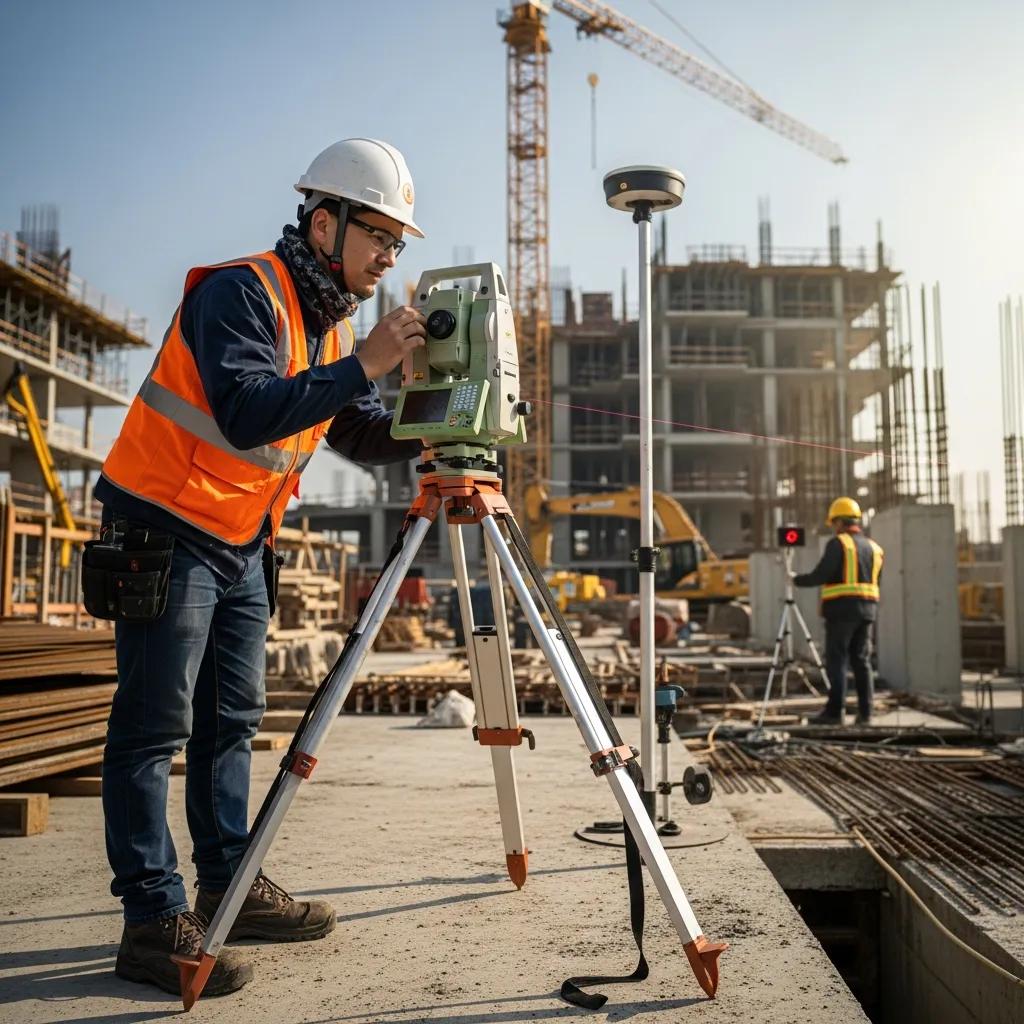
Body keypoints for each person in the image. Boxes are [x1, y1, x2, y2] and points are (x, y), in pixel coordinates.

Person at [93, 138, 427, 997]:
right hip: (165, 523)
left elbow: (354, 431)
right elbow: (243, 413)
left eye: (399, 243)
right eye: (380, 236)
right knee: (152, 727)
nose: (390, 256)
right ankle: (150, 919)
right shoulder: (240, 292)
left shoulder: (332, 324)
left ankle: (229, 888)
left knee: (230, 722)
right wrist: (366, 365)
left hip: (240, 540)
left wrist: (439, 426)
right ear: (326, 223)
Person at [791, 497, 884, 727]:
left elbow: (821, 574)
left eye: (833, 523)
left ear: (839, 522)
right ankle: (866, 713)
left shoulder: (839, 544)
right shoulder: (874, 548)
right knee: (861, 661)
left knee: (838, 660)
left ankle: (835, 713)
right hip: (868, 611)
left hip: (842, 611)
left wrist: (796, 580)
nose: (833, 528)